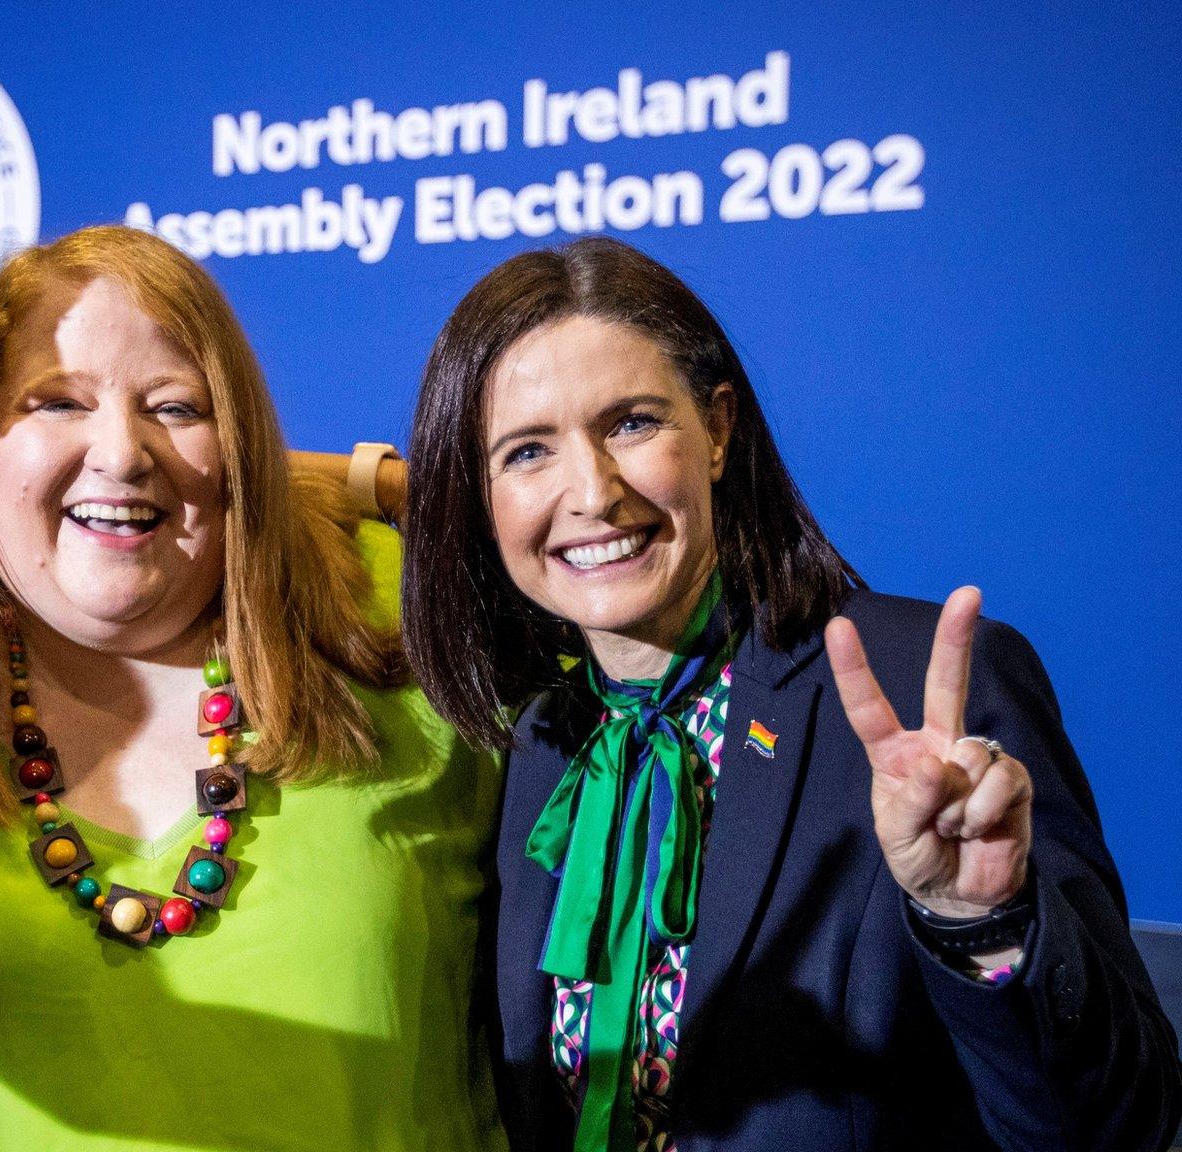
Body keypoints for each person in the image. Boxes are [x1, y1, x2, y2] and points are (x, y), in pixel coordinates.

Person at [400, 236, 1181, 1151]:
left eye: (631, 424)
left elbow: (1119, 1128)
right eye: (526, 451)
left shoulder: (921, 694)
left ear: (719, 431)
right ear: (478, 495)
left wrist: (980, 921)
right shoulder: (537, 744)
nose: (592, 492)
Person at [0, 225, 501, 1150]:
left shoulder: (403, 618)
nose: (121, 451)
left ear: (239, 446)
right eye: (57, 402)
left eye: (177, 407)